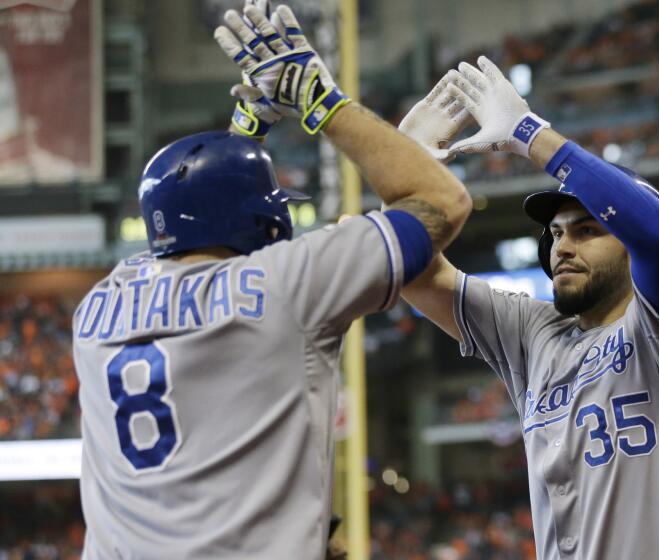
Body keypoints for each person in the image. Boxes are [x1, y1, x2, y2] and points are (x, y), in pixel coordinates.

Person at [71, 5, 471, 559]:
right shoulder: (288, 283)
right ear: (263, 221)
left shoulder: (99, 304)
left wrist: (245, 136)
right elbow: (443, 203)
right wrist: (321, 103)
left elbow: (189, 235)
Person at [399, 56, 659, 559]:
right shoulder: (534, 334)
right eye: (555, 233)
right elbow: (412, 271)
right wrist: (403, 173)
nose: (563, 246)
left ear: (628, 244)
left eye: (587, 230)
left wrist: (530, 135)